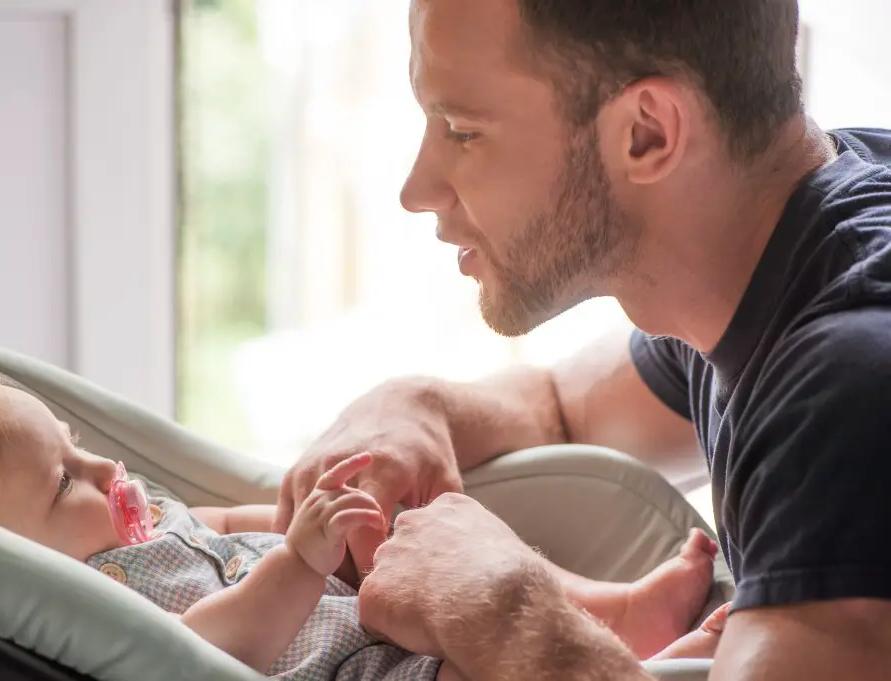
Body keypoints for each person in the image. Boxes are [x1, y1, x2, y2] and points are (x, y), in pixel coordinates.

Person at [272, 1, 891, 680]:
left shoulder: (851, 383)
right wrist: (412, 403)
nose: (417, 191)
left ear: (647, 133)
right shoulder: (765, 241)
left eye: (462, 129)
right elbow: (558, 405)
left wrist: (504, 607)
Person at [0, 368, 727, 680]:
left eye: (79, 445)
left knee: (445, 530)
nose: (104, 470)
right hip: (343, 669)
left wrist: (301, 517)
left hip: (360, 615)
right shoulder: (84, 611)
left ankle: (618, 615)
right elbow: (209, 648)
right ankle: (651, 664)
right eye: (63, 483)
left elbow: (231, 518)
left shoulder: (133, 528)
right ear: (3, 570)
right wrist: (300, 561)